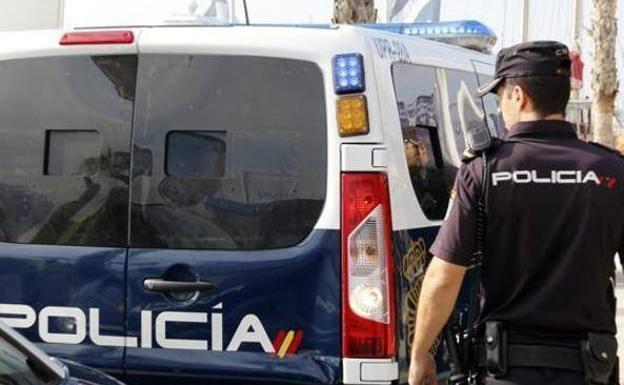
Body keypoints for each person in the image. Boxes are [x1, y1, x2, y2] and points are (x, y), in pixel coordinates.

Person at [408, 41, 624, 385]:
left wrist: (420, 355)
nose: (501, 108)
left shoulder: (485, 170)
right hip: (589, 370)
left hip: (506, 371)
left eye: (500, 96)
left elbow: (445, 276)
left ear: (518, 95)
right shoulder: (612, 170)